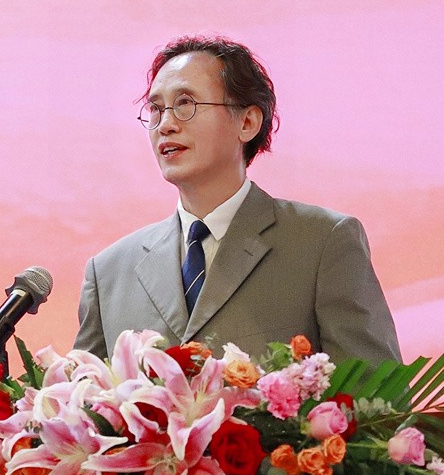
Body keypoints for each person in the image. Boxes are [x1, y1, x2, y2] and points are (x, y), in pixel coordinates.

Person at [74, 35, 400, 364]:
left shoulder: (322, 243)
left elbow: (375, 392)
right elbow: (83, 393)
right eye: (156, 109)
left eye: (186, 103)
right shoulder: (108, 273)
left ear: (247, 122)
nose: (166, 125)